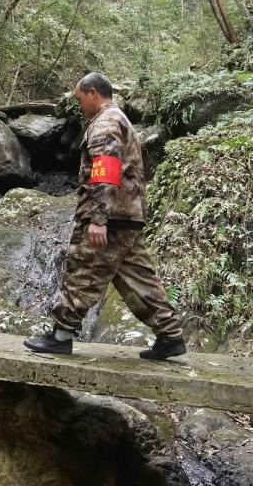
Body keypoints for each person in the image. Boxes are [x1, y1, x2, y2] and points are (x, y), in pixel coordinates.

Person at [23, 72, 186, 359]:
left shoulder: (106, 123)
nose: (79, 105)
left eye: (80, 99)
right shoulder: (118, 120)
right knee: (138, 277)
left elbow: (105, 171)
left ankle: (61, 335)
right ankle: (170, 336)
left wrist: (99, 219)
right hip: (126, 214)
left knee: (83, 269)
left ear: (93, 93)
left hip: (109, 216)